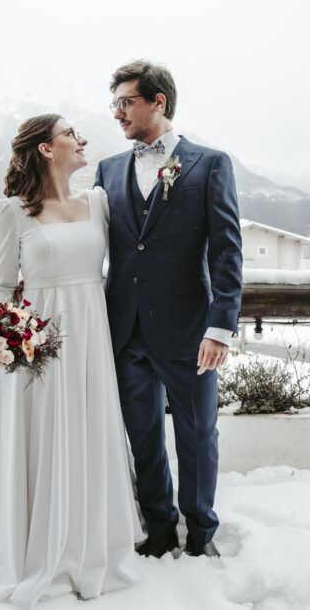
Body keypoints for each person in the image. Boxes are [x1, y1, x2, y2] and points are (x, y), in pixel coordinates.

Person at [0, 114, 145, 607]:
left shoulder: (98, 202)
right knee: (42, 436)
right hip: (36, 343)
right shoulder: (11, 211)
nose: (81, 140)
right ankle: (31, 545)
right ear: (45, 148)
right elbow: (0, 289)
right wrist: (2, 343)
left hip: (89, 333)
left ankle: (87, 543)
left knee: (86, 429)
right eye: (69, 134)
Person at [93, 60, 243, 558]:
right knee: (144, 439)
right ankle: (157, 531)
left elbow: (226, 251)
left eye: (126, 102)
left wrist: (221, 327)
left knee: (198, 436)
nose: (117, 113)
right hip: (125, 331)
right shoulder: (108, 170)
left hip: (189, 331)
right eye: (113, 104)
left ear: (158, 101)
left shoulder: (209, 164)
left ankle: (201, 535)